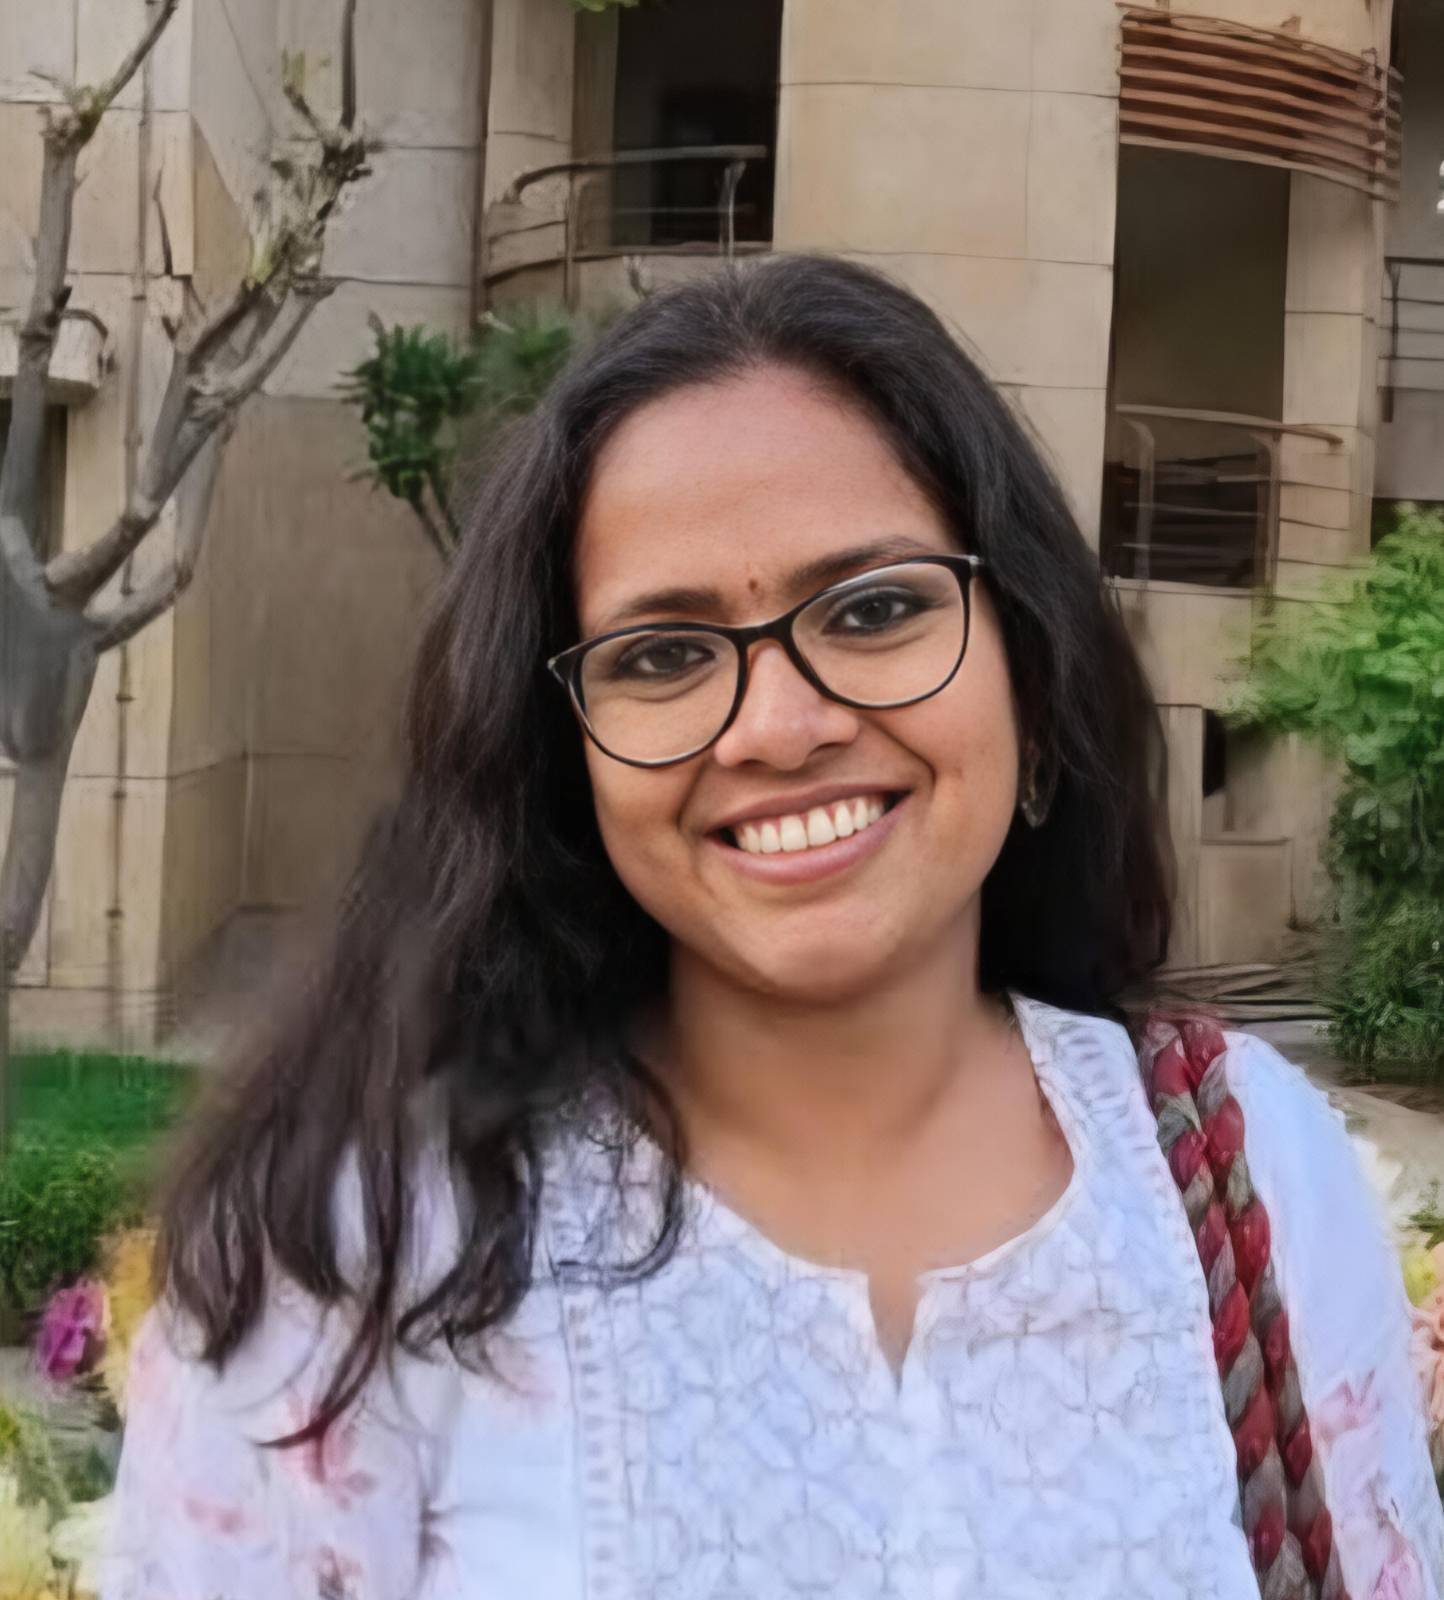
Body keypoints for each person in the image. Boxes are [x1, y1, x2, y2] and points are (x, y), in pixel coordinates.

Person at [102, 256, 1442, 1600]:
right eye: (663, 656)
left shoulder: (1249, 1174)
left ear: (1030, 669)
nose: (779, 727)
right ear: (561, 758)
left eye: (874, 611)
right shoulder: (360, 1248)